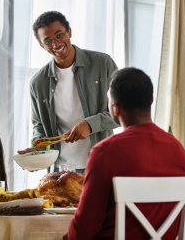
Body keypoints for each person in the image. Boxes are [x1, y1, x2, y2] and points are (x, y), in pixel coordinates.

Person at [65, 67, 185, 240]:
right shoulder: (178, 150)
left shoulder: (105, 152)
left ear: (115, 109)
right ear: (151, 101)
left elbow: (83, 231)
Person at [19, 11, 118, 171]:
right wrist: (38, 149)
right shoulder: (38, 82)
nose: (56, 44)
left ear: (69, 32)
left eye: (59, 35)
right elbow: (39, 125)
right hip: (61, 170)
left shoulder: (102, 63)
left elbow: (121, 112)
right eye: (48, 41)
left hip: (101, 165)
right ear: (41, 45)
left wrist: (90, 125)